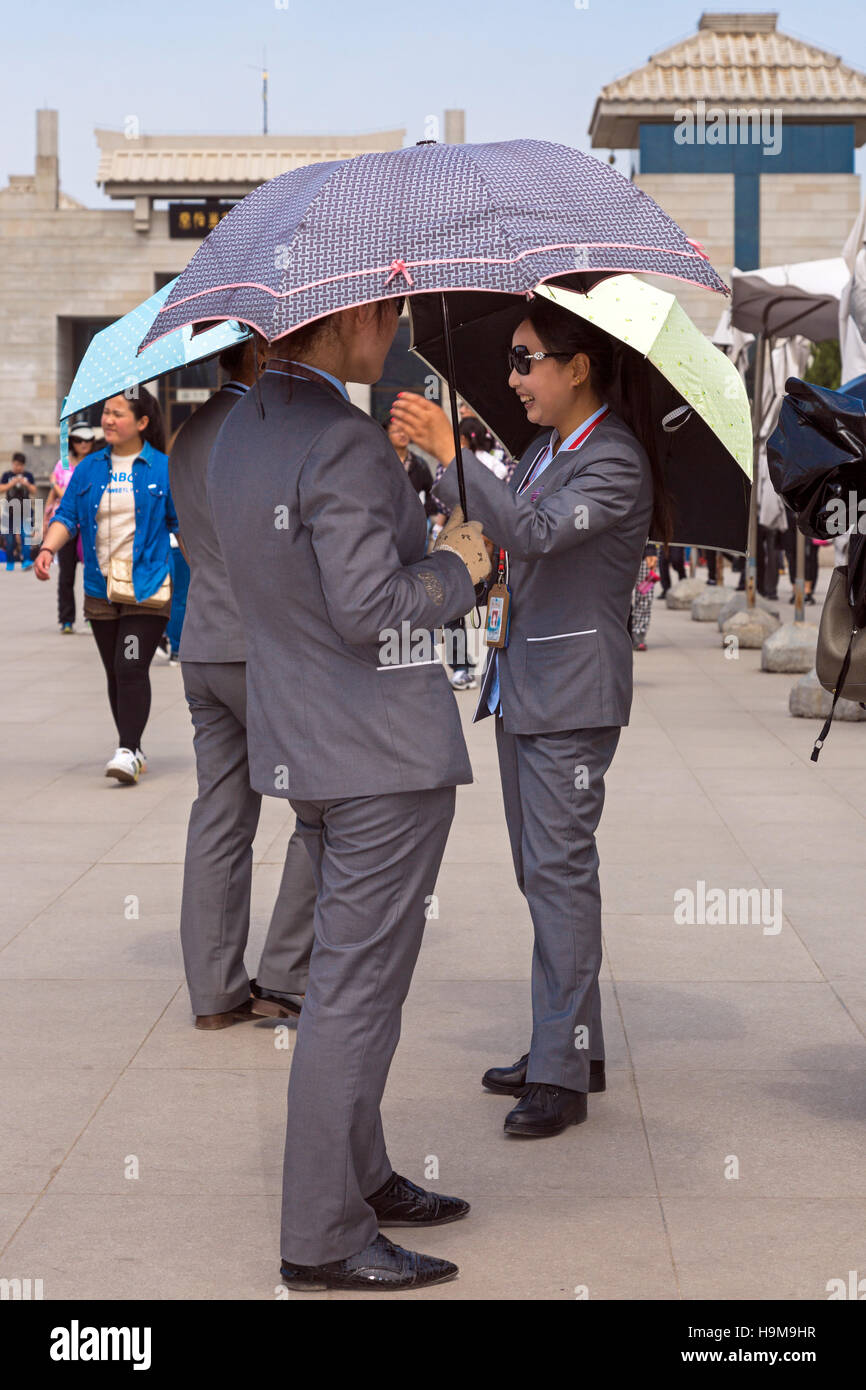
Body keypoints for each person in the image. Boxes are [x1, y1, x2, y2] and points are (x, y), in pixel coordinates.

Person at [207, 298, 490, 1292]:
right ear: (351, 315)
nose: (399, 324)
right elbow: (372, 611)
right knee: (353, 996)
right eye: (394, 309)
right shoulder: (343, 440)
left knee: (350, 982)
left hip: (308, 742)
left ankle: (359, 1173)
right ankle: (323, 1231)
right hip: (380, 756)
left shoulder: (242, 428)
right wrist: (457, 562)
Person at [392, 295, 668, 1140]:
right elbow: (506, 529)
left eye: (525, 360)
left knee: (559, 875)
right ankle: (569, 1044)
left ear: (576, 365)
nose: (511, 379)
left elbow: (538, 532)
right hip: (526, 682)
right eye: (510, 360)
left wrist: (454, 458)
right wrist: (448, 478)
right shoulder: (549, 448)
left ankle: (560, 1072)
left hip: (571, 692)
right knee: (542, 874)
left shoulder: (613, 458)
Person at [167, 338, 317, 1032]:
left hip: (205, 643)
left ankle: (215, 991)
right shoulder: (265, 426)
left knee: (220, 817)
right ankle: (287, 971)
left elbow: (199, 545)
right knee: (326, 808)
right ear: (258, 351)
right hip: (265, 647)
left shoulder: (188, 432)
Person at [34, 388, 177, 784]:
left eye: (118, 414)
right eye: (106, 413)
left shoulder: (162, 468)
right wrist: (48, 547)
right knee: (115, 672)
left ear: (143, 422)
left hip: (146, 585)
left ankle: (128, 751)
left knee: (130, 666)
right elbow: (67, 516)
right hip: (100, 586)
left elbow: (182, 523)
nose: (108, 421)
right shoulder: (89, 468)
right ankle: (131, 744)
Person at [43, 425, 95, 630]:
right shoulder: (62, 465)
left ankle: (93, 614)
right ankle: (66, 619)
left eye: (88, 440)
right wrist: (46, 523)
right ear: (72, 441)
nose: (84, 444)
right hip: (65, 526)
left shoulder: (95, 465)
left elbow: (79, 495)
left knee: (92, 572)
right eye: (80, 440)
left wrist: (56, 485)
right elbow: (54, 498)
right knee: (66, 575)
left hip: (89, 526)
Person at [1, 453, 38, 570]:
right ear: (13, 463)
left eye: (21, 465)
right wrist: (12, 483)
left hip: (25, 510)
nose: (18, 467)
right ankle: (10, 561)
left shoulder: (28, 475)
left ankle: (26, 560)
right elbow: (1, 488)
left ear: (24, 465)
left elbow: (34, 490)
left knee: (25, 536)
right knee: (10, 539)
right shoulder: (7, 475)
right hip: (10, 511)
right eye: (16, 465)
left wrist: (25, 483)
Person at [631, 543, 660, 651]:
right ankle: (625, 629)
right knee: (620, 598)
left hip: (647, 553)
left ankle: (639, 632)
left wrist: (651, 551)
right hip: (620, 553)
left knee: (646, 597)